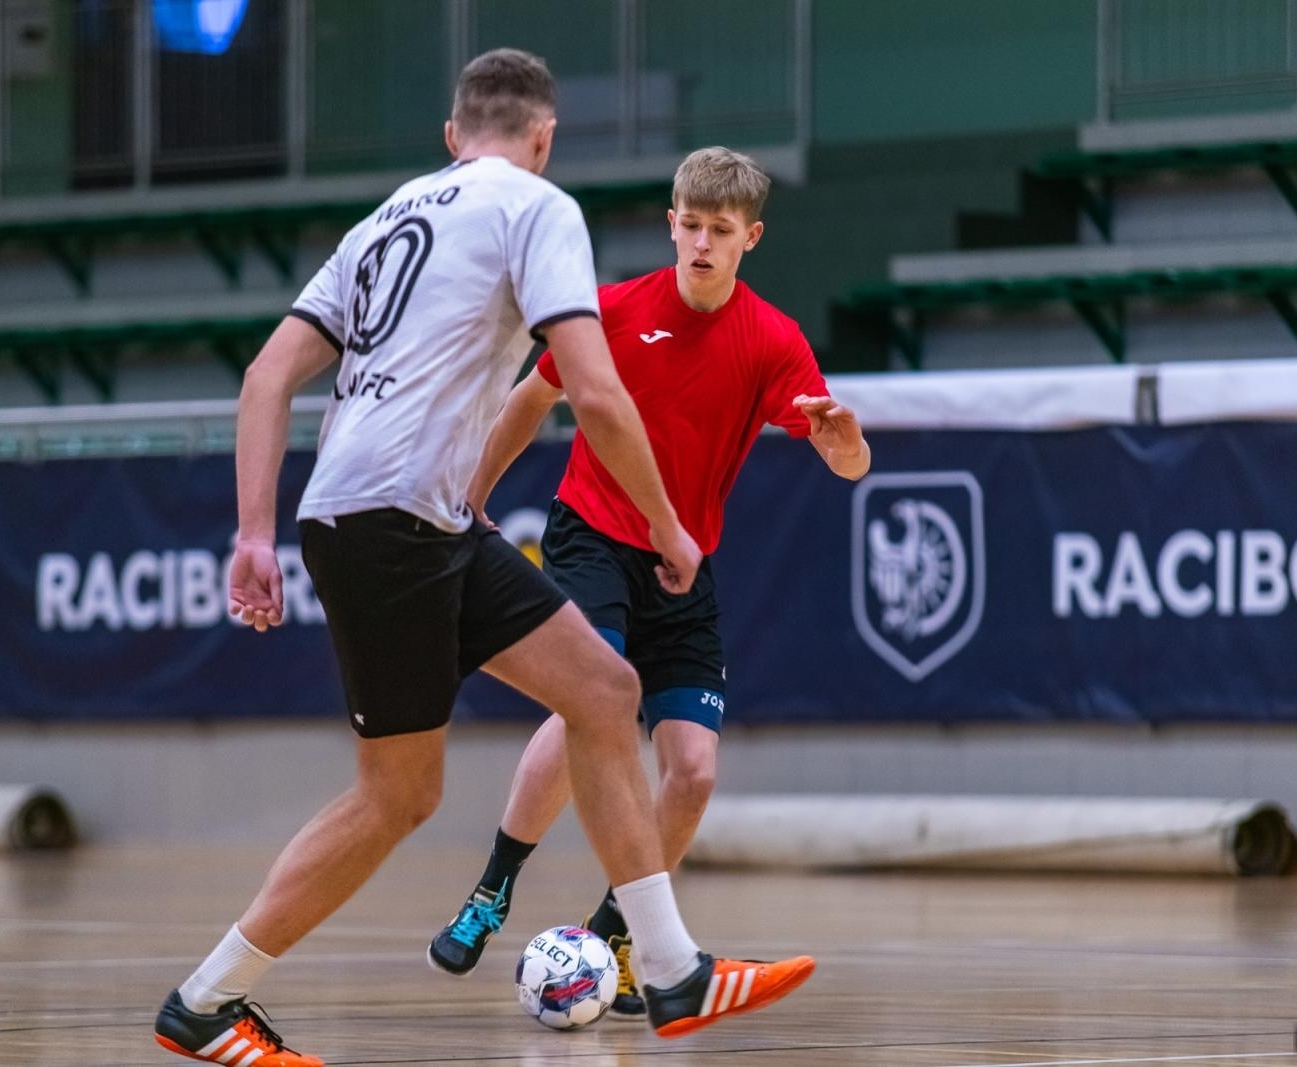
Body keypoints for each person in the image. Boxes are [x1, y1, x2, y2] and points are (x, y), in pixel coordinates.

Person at [150, 51, 814, 1067]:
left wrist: (252, 532)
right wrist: (669, 525)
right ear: (543, 139)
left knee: (603, 690)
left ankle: (671, 969)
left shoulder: (382, 223)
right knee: (398, 795)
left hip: (411, 515)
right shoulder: (537, 207)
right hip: (395, 522)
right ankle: (204, 1002)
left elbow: (266, 377)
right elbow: (595, 393)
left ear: (453, 135)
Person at [427, 146, 869, 1020]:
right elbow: (529, 400)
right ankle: (493, 886)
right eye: (690, 225)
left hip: (684, 562)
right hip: (591, 534)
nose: (702, 243)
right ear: (671, 224)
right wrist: (470, 498)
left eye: (721, 230)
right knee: (590, 705)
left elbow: (847, 465)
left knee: (693, 772)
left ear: (750, 239)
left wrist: (845, 441)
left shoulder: (773, 339)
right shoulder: (615, 310)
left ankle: (615, 934)